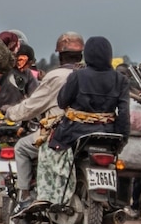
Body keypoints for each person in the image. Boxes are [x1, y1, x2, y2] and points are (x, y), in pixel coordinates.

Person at [32, 36, 128, 207]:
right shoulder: (120, 79)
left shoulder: (78, 75)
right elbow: (124, 114)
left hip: (75, 131)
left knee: (47, 150)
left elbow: (62, 102)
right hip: (108, 133)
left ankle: (48, 196)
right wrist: (121, 138)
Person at [5, 33, 85, 214]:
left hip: (61, 133)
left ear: (60, 55)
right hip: (87, 132)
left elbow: (33, 105)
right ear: (81, 54)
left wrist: (10, 112)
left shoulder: (56, 76)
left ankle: (25, 197)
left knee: (21, 148)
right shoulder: (88, 74)